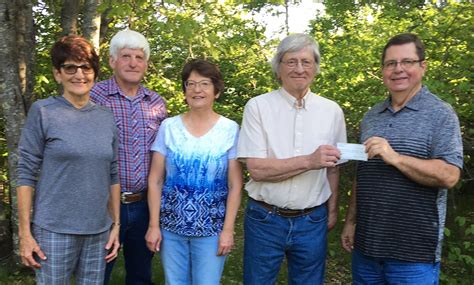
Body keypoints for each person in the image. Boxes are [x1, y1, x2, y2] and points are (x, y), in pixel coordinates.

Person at [341, 33, 463, 284]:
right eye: (390, 63)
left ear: (422, 66)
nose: (398, 70)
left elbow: (450, 176)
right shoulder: (371, 116)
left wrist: (395, 157)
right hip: (366, 250)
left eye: (407, 62)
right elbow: (362, 176)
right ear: (383, 70)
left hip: (414, 255)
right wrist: (350, 222)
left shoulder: (440, 114)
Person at [237, 33, 347, 284]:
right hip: (265, 218)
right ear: (278, 68)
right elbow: (257, 170)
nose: (299, 68)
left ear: (315, 68)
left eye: (306, 62)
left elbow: (333, 168)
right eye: (291, 61)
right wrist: (309, 161)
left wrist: (331, 211)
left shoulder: (331, 111)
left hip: (313, 219)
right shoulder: (257, 107)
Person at [16, 35, 120, 284]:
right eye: (70, 67)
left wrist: (115, 225)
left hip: (98, 232)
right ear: (57, 74)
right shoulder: (43, 111)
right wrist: (25, 234)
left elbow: (113, 174)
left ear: (94, 73)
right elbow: (25, 173)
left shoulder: (106, 117)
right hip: (54, 230)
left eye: (86, 67)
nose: (79, 74)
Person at [145, 59, 243, 285]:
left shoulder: (230, 129)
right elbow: (155, 180)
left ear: (216, 91)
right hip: (171, 228)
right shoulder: (168, 127)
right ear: (184, 91)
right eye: (191, 84)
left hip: (212, 230)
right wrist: (153, 226)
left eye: (204, 83)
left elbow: (235, 185)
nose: (197, 89)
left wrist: (228, 230)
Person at [90, 29, 167, 285]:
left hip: (144, 205)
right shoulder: (94, 97)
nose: (133, 63)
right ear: (112, 61)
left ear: (146, 63)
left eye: (139, 57)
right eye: (125, 56)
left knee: (141, 275)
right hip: (103, 204)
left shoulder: (156, 103)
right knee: (97, 274)